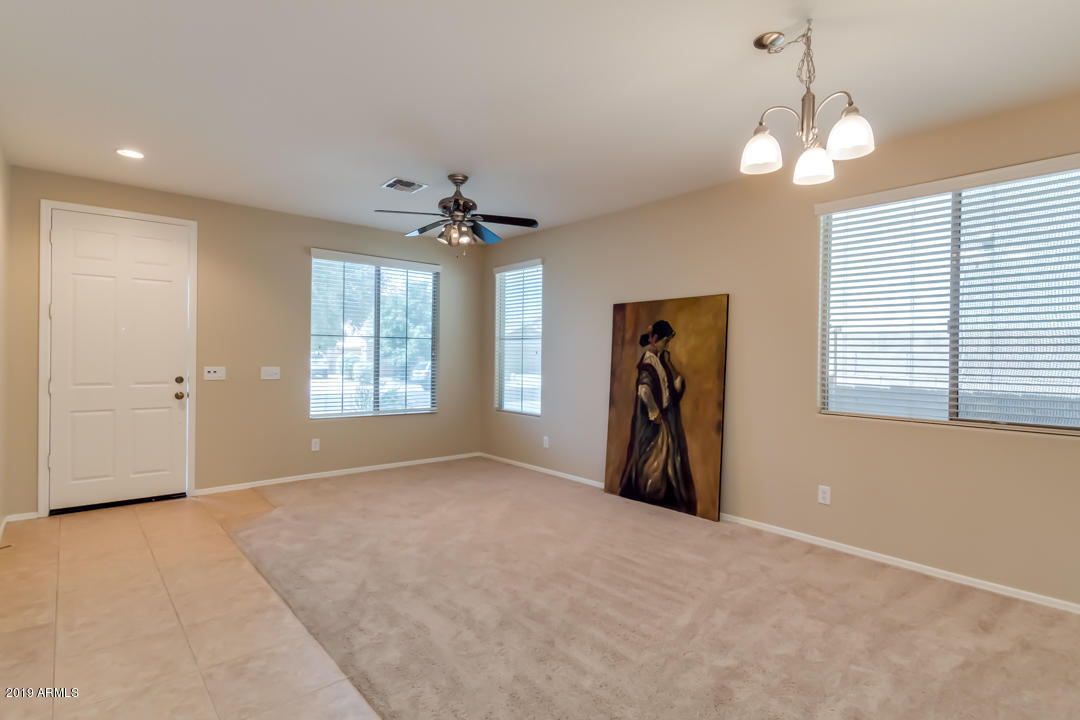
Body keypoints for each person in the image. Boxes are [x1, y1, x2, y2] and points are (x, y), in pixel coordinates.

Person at [618, 320, 697, 515]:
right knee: (654, 462)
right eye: (665, 341)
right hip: (653, 423)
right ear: (654, 339)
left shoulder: (661, 360)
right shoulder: (648, 362)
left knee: (668, 460)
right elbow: (644, 390)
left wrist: (671, 369)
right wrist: (654, 412)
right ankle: (650, 496)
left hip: (665, 420)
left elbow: (672, 387)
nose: (667, 346)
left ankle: (663, 500)